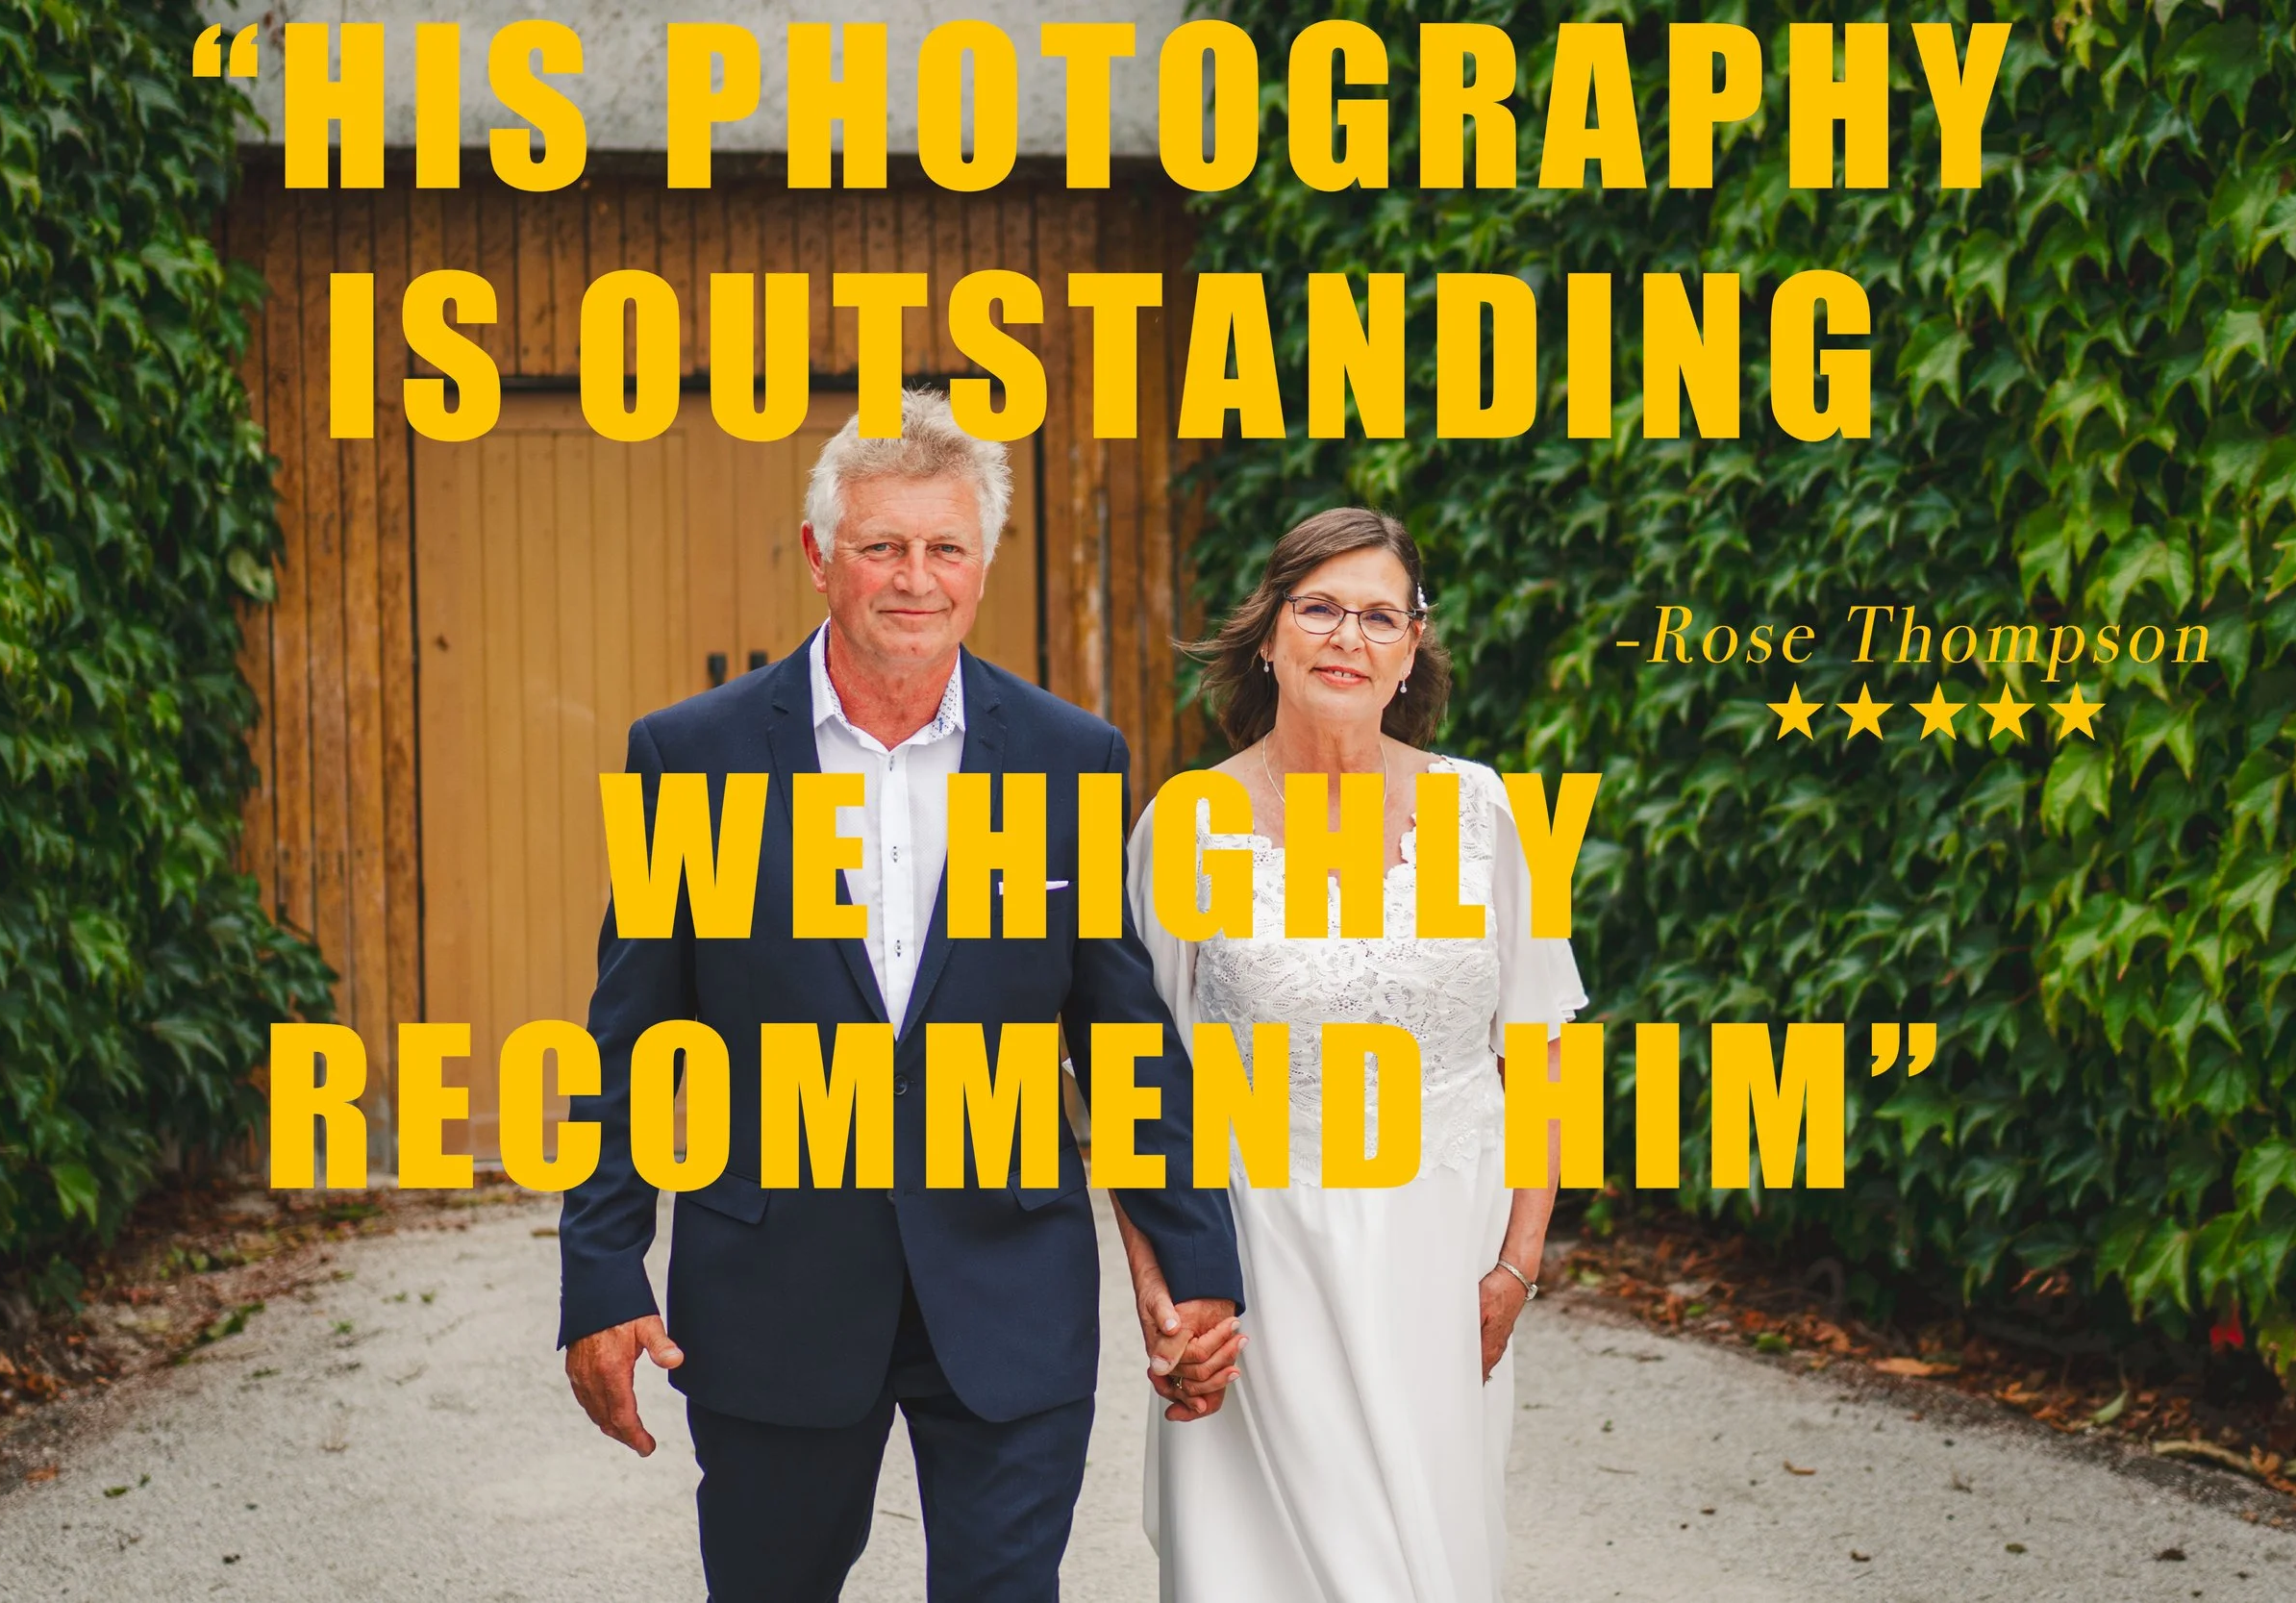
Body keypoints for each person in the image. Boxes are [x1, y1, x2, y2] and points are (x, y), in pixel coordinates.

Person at [556, 388, 1243, 1603]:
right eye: (882, 545)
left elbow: (1121, 1031)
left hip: (1008, 1281)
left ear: (983, 561)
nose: (915, 578)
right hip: (773, 1290)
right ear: (820, 554)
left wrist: (1193, 1257)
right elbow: (631, 1037)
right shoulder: (691, 756)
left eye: (945, 547)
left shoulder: (1070, 756)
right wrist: (602, 1273)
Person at [1119, 507, 1588, 1602]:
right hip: (1261, 1263)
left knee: (1429, 1561)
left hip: (1445, 1260)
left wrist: (1517, 1267)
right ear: (1269, 633)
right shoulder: (1189, 823)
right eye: (1320, 607)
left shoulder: (1485, 811)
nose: (1348, 637)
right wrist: (1166, 1293)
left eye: (1380, 616)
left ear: (1411, 646)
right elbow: (1142, 1081)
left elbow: (1540, 1050)